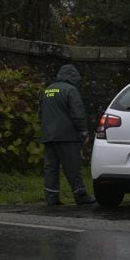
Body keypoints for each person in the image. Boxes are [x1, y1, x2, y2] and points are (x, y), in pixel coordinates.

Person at [38, 64, 96, 206]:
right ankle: (80, 195)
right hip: (67, 136)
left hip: (49, 136)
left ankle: (51, 197)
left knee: (51, 168)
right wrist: (83, 132)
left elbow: (40, 113)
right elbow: (77, 114)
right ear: (73, 76)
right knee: (73, 167)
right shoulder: (71, 90)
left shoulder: (47, 90)